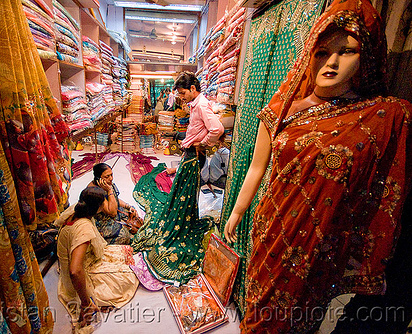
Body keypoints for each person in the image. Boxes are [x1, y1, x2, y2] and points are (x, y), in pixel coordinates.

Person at [223, 0, 412, 332]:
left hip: (321, 248)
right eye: (323, 52)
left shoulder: (383, 116)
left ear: (366, 56)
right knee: (260, 315)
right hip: (272, 231)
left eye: (347, 51)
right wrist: (237, 212)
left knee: (301, 321)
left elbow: (383, 190)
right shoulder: (282, 109)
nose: (332, 62)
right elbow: (256, 168)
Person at [131, 71, 224, 284]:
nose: (181, 97)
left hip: (194, 155)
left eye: (183, 93)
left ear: (193, 88)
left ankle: (183, 222)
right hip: (189, 154)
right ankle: (184, 218)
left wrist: (203, 144)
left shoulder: (200, 105)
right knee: (183, 191)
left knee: (185, 191)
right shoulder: (196, 105)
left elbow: (217, 129)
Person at [56, 187, 139, 333]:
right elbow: (75, 271)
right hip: (81, 273)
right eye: (104, 201)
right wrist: (86, 302)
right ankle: (92, 301)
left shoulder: (75, 209)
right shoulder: (84, 229)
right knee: (129, 277)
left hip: (80, 259)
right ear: (98, 206)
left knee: (126, 253)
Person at [88, 163, 141, 244]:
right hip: (102, 220)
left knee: (135, 217)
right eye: (107, 176)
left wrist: (128, 206)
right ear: (98, 178)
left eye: (111, 175)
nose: (111, 178)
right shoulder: (95, 191)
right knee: (124, 236)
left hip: (112, 210)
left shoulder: (106, 184)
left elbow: (114, 199)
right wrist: (109, 191)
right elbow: (112, 213)